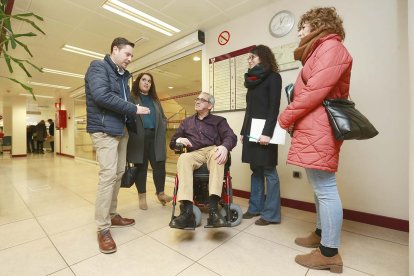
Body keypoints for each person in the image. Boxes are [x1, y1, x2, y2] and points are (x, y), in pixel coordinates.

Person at [278, 7, 352, 273]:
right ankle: (321, 234)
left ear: (317, 25)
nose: (299, 32)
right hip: (313, 128)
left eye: (303, 26)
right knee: (319, 186)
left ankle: (329, 253)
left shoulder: (332, 47)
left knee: (325, 188)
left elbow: (313, 92)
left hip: (319, 128)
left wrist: (284, 118)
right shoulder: (321, 50)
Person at [85, 37, 150, 254]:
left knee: (119, 172)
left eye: (132, 55)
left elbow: (121, 101)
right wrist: (134, 109)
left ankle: (112, 215)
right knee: (107, 175)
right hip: (104, 130)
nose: (130, 59)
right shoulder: (98, 67)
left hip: (121, 130)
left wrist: (130, 118)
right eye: (127, 54)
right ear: (115, 50)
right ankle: (102, 228)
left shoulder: (124, 76)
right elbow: (102, 96)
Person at [169, 92, 237, 230]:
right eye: (197, 99)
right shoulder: (186, 122)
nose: (197, 101)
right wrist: (178, 140)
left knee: (218, 154)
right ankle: (186, 211)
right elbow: (172, 142)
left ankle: (213, 211)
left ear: (210, 105)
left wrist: (224, 147)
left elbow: (231, 136)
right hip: (195, 153)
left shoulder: (219, 121)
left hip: (213, 150)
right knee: (183, 158)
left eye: (202, 99)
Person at [240, 45, 282, 226]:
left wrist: (267, 133)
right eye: (249, 58)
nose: (249, 61)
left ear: (263, 58)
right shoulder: (251, 81)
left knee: (269, 171)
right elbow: (249, 110)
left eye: (252, 57)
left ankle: (271, 214)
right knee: (255, 169)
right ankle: (255, 207)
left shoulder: (274, 78)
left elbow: (274, 107)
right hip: (251, 130)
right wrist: (243, 131)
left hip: (265, 132)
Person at [126, 72, 172, 210]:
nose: (146, 83)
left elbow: (162, 117)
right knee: (141, 167)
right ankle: (142, 197)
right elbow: (127, 116)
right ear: (138, 82)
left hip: (155, 136)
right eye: (144, 80)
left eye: (149, 81)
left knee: (159, 165)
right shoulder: (132, 98)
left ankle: (161, 193)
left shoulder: (155, 100)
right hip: (139, 138)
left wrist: (163, 125)